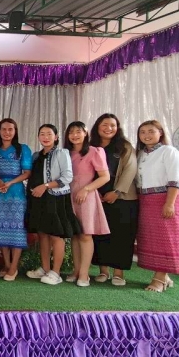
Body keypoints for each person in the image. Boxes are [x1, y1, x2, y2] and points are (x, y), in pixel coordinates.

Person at [25, 124, 81, 286]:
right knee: (42, 233)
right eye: (42, 134)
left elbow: (67, 177)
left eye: (49, 134)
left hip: (55, 198)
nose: (45, 137)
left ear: (56, 137)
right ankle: (45, 268)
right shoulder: (36, 155)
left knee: (56, 235)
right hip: (38, 199)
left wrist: (45, 186)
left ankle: (56, 273)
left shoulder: (62, 153)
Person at [135, 120, 179, 292]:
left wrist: (169, 204)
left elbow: (175, 179)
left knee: (166, 239)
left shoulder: (169, 151)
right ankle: (165, 276)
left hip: (165, 198)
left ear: (160, 133)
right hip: (145, 199)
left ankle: (159, 279)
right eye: (142, 132)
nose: (146, 135)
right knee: (152, 240)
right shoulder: (140, 154)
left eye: (151, 131)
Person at [90, 114, 138, 287]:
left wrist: (117, 192)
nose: (108, 128)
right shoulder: (91, 146)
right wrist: (93, 191)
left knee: (122, 235)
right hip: (98, 197)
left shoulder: (124, 146)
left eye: (113, 125)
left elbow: (131, 169)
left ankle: (118, 273)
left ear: (118, 128)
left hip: (123, 198)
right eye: (105, 124)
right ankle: (103, 271)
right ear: (97, 126)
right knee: (100, 234)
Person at [64, 121, 111, 287]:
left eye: (78, 131)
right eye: (71, 132)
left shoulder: (94, 151)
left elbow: (105, 177)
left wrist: (86, 189)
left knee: (85, 234)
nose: (75, 135)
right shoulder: (65, 153)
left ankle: (84, 274)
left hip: (86, 196)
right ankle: (76, 270)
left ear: (85, 133)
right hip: (68, 196)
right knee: (75, 234)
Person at [0, 118, 32, 281]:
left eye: (10, 129)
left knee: (16, 230)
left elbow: (27, 173)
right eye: (4, 129)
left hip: (16, 194)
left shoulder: (23, 149)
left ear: (15, 131)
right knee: (0, 228)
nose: (7, 132)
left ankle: (14, 267)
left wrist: (10, 182)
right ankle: (6, 265)